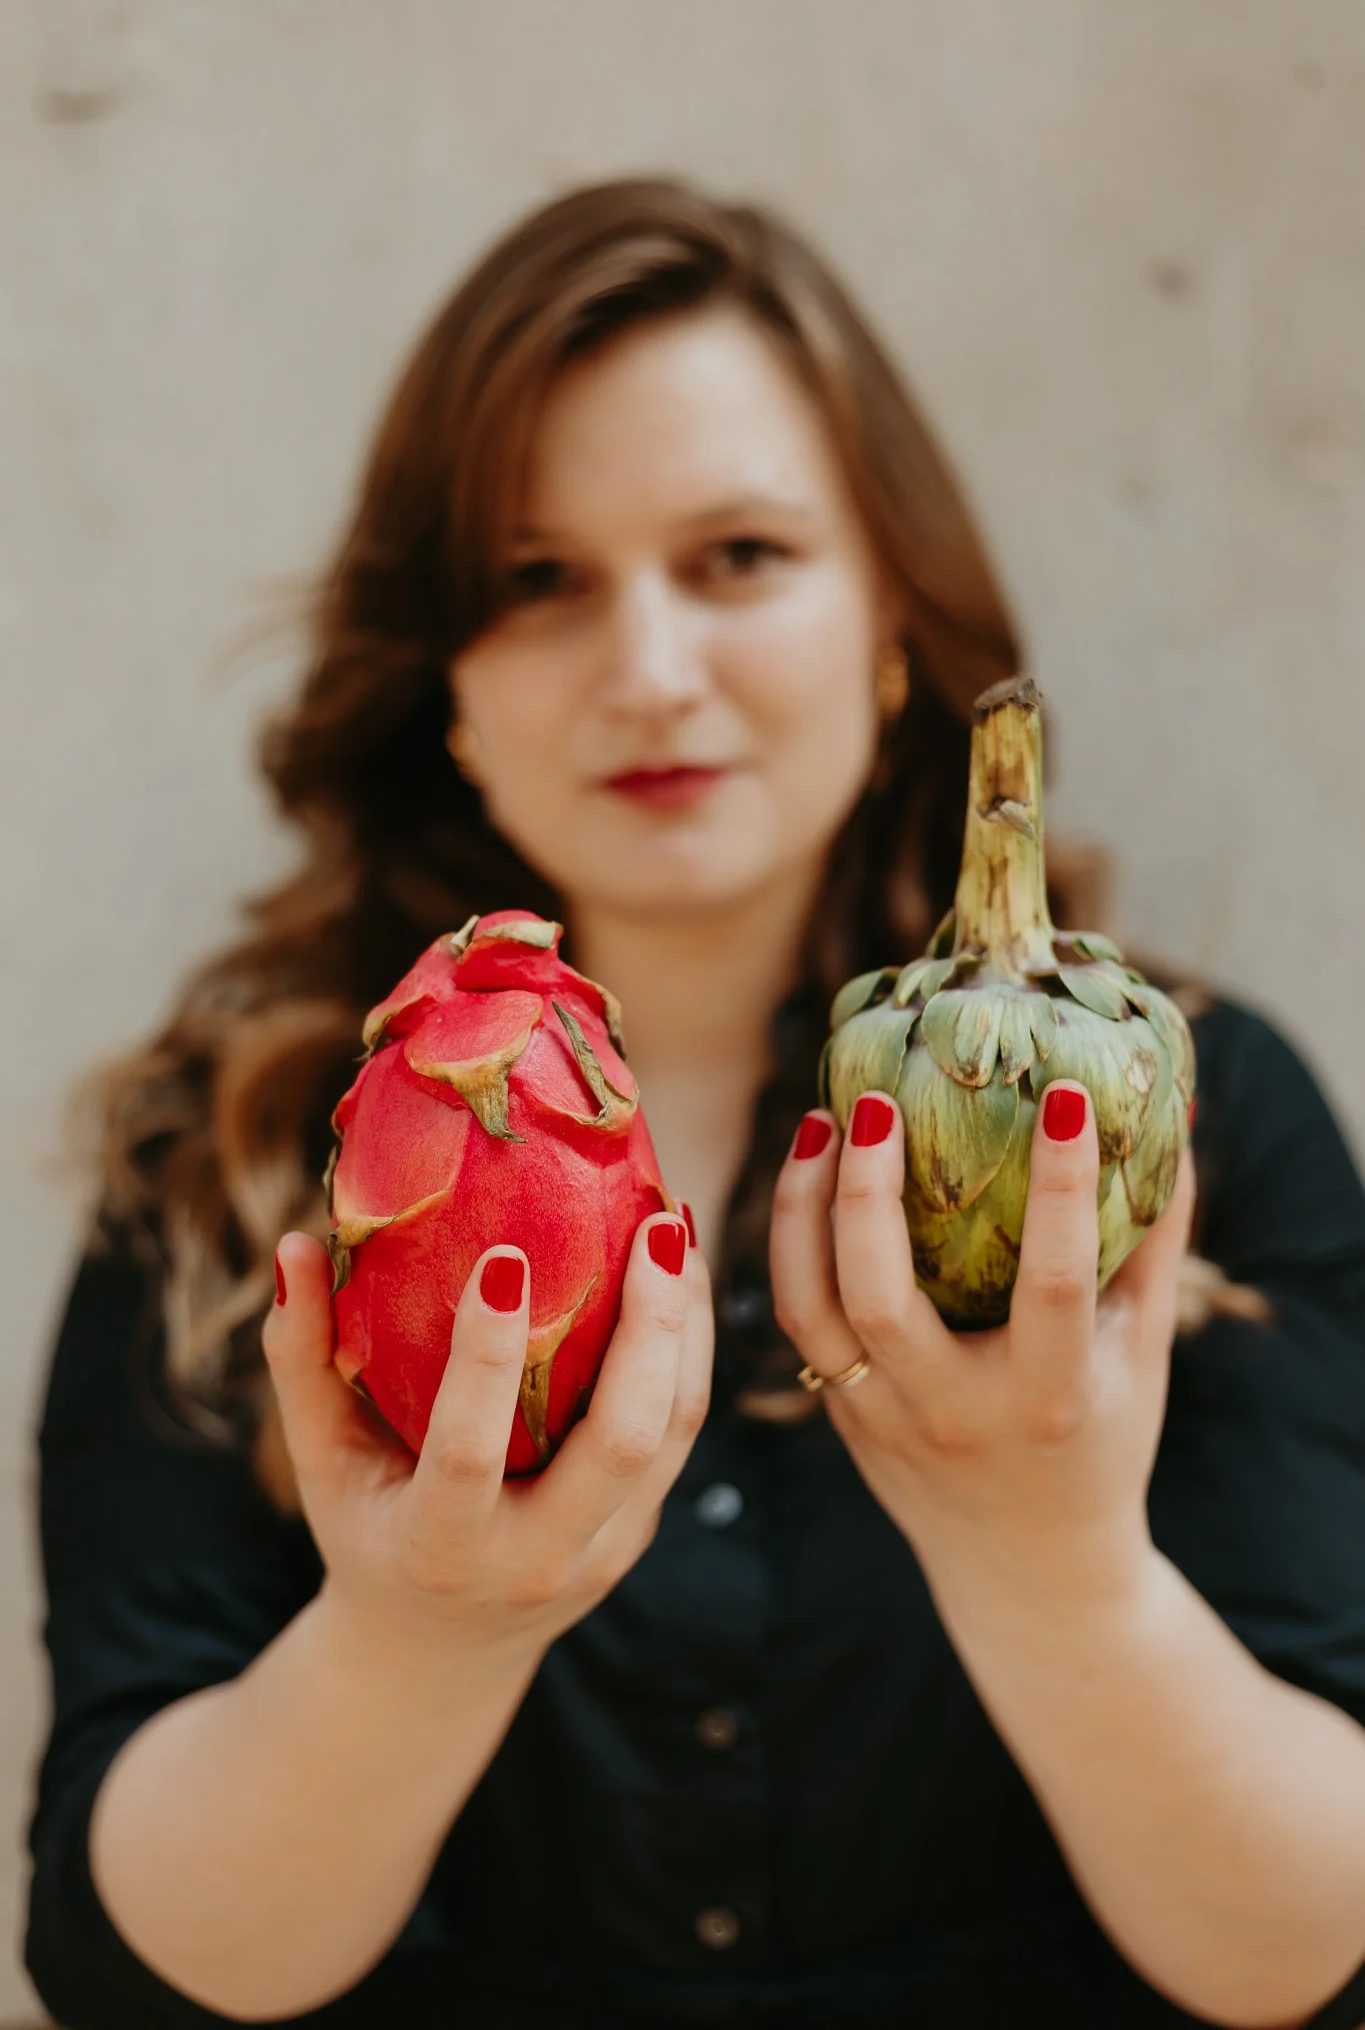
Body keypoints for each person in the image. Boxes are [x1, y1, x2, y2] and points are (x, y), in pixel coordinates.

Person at [24, 177, 1365, 2030]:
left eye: (739, 555)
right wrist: (412, 1645)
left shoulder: (1183, 1123)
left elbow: (1312, 1954)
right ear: (449, 685)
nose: (651, 673)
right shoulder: (236, 1157)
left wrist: (1055, 1570)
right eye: (538, 580)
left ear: (891, 611)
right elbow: (127, 1967)